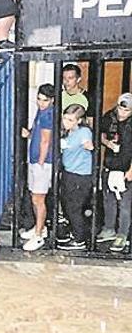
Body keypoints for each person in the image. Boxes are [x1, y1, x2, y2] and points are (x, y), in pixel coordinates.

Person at [21, 84, 55, 251]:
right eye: (39, 99)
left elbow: (45, 141)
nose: (41, 103)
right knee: (35, 197)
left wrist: (40, 163)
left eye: (45, 100)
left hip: (42, 163)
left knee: (38, 199)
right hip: (36, 160)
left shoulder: (48, 114)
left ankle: (39, 235)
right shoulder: (42, 112)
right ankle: (39, 228)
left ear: (52, 100)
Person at [97, 93, 132, 253]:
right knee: (108, 199)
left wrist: (131, 171)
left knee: (125, 203)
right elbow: (101, 133)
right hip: (110, 165)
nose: (122, 113)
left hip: (126, 168)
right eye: (120, 108)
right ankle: (109, 228)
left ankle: (122, 234)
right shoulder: (109, 117)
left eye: (127, 111)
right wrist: (107, 143)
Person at [56, 104, 93, 251]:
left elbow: (88, 144)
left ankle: (80, 239)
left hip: (80, 175)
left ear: (79, 120)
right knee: (67, 205)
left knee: (74, 207)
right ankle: (76, 233)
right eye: (65, 118)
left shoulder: (83, 132)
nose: (66, 122)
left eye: (70, 120)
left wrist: (87, 145)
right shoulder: (69, 132)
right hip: (69, 172)